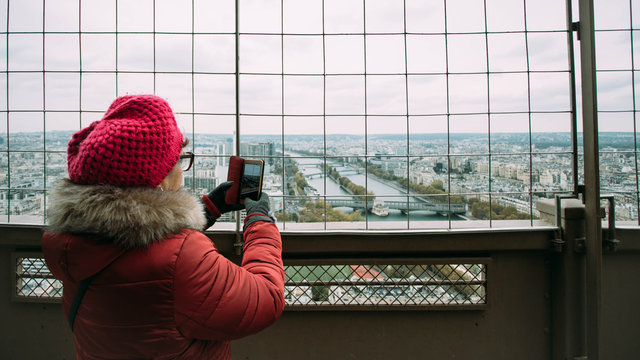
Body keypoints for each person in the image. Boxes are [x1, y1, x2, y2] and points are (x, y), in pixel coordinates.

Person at [41, 95, 285, 359]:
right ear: (157, 176)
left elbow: (139, 238)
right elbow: (266, 297)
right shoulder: (183, 257)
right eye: (180, 159)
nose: (182, 168)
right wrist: (261, 221)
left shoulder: (71, 243)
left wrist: (210, 208)